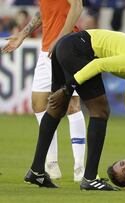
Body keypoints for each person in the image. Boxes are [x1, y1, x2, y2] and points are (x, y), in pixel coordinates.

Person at [23, 29, 125, 191]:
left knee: (57, 109)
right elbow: (99, 64)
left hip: (66, 45)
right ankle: (90, 178)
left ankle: (36, 171)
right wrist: (68, 88)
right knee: (101, 111)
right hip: (78, 48)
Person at [1, 0, 86, 182]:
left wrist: (60, 39)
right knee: (39, 105)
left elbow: (77, 7)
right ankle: (51, 164)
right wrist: (23, 34)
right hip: (47, 50)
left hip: (69, 46)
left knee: (72, 104)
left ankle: (80, 167)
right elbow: (44, 12)